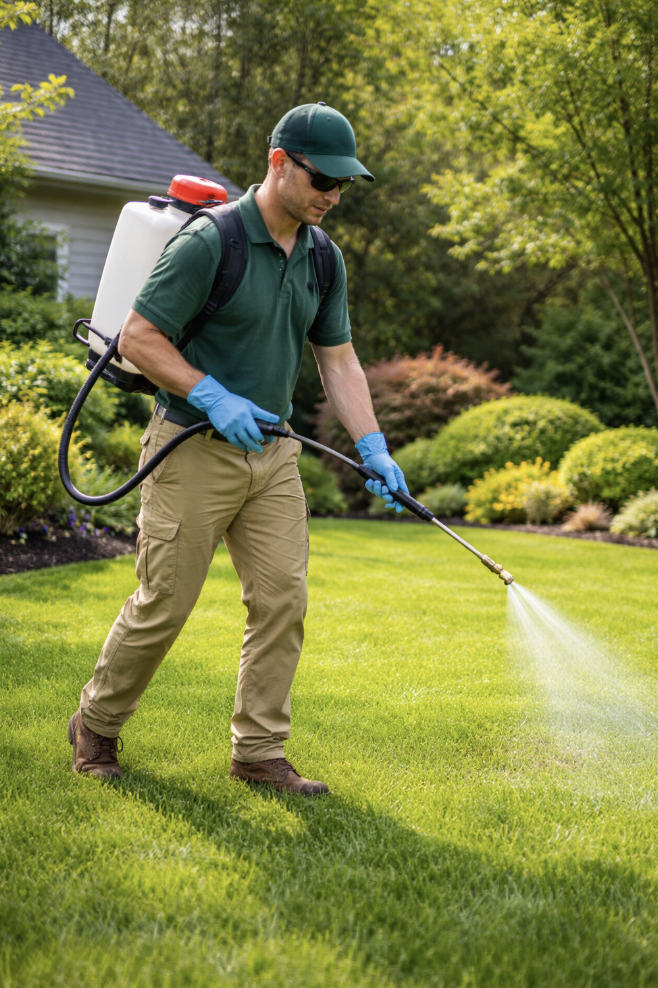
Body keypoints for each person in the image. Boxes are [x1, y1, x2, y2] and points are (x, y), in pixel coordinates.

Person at [67, 102, 409, 793]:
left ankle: (259, 752)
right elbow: (138, 338)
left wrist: (372, 444)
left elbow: (337, 359)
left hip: (272, 455)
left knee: (283, 599)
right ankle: (95, 724)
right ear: (280, 162)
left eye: (343, 185)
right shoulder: (209, 242)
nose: (333, 197)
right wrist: (214, 397)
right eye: (323, 181)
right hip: (191, 446)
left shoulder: (322, 258)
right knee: (165, 602)